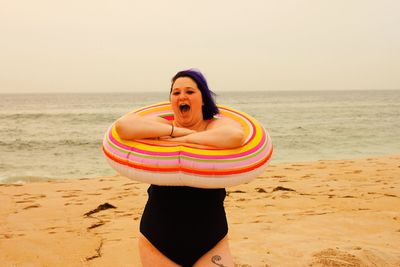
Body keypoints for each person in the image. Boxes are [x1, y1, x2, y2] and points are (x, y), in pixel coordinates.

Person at [115, 69, 245, 267]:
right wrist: (174, 130)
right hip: (158, 239)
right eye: (176, 93)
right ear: (171, 100)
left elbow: (235, 136)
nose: (182, 96)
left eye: (190, 92)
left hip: (211, 239)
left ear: (203, 98)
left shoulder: (214, 125)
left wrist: (185, 137)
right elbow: (123, 126)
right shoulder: (161, 125)